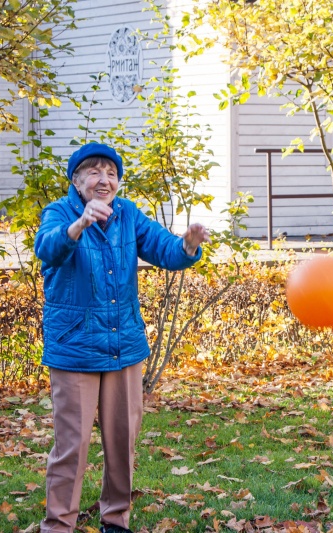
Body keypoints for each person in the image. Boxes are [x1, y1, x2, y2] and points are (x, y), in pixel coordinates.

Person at [34, 143, 210, 533]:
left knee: (122, 441)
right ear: (77, 180)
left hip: (123, 346)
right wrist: (79, 224)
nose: (104, 179)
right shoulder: (59, 213)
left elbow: (162, 247)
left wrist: (188, 245)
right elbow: (47, 248)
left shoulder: (127, 213)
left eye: (111, 172)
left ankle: (115, 520)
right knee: (72, 448)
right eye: (94, 171)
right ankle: (58, 525)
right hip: (75, 348)